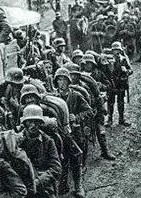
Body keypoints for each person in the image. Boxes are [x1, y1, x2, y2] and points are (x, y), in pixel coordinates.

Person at [53, 68, 93, 198]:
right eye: (59, 79)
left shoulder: (76, 95)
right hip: (60, 134)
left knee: (76, 160)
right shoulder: (53, 97)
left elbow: (89, 111)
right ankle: (63, 185)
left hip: (75, 133)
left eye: (64, 79)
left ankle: (78, 186)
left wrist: (76, 117)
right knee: (62, 160)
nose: (62, 83)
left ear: (69, 81)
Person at [19, 104, 62, 198]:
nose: (33, 125)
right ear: (25, 123)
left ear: (41, 123)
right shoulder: (16, 141)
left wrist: (38, 181)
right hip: (22, 185)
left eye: (36, 122)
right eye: (30, 121)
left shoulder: (48, 141)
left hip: (43, 185)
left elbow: (56, 168)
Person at [107, 41, 132, 127]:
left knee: (121, 102)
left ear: (121, 50)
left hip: (121, 84)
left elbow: (130, 70)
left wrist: (126, 72)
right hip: (112, 84)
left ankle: (121, 119)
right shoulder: (109, 60)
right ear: (112, 51)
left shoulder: (124, 59)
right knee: (110, 102)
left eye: (118, 50)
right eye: (114, 50)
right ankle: (109, 120)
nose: (116, 52)